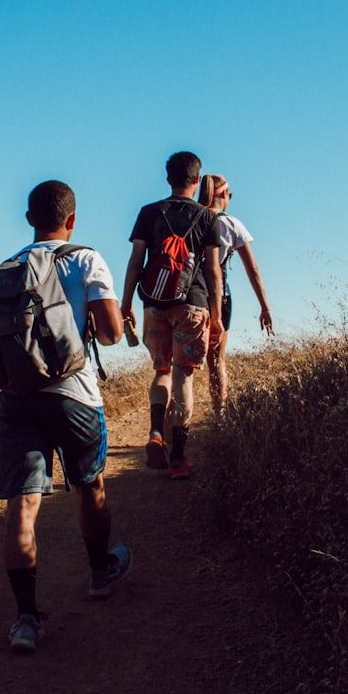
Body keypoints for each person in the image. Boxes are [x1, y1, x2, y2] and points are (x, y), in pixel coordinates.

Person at [0, 180, 130, 654]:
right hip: (74, 396)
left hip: (18, 398)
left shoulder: (5, 272)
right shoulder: (86, 259)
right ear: (72, 220)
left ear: (28, 219)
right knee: (91, 484)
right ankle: (100, 572)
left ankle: (26, 619)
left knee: (22, 508)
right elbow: (109, 336)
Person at [120, 151, 223, 479]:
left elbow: (136, 261)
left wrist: (125, 305)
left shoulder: (149, 212)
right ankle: (178, 458)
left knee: (161, 371)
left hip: (154, 304)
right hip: (192, 305)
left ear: (168, 179)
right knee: (183, 376)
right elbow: (213, 271)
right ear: (197, 180)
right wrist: (217, 315)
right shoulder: (208, 218)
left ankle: (155, 432)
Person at [197, 173, 274, 417]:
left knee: (182, 362)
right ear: (222, 195)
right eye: (229, 195)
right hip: (221, 296)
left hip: (191, 295)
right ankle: (220, 414)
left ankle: (176, 421)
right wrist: (265, 307)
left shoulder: (193, 218)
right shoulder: (231, 224)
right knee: (216, 359)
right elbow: (253, 269)